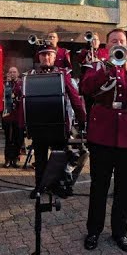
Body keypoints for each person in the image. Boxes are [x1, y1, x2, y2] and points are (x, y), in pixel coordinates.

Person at [81, 28, 127, 252]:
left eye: (121, 41)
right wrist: (107, 68)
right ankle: (94, 230)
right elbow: (86, 87)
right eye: (113, 41)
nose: (117, 44)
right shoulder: (96, 65)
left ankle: (120, 231)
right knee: (99, 186)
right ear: (106, 45)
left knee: (125, 188)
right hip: (102, 135)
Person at [15, 45, 86, 199]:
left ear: (54, 57)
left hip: (59, 125)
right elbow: (23, 101)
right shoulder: (30, 76)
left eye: (49, 55)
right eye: (43, 55)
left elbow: (74, 97)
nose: (46, 58)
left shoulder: (62, 75)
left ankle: (57, 186)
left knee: (59, 157)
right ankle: (40, 186)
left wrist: (82, 119)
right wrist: (21, 126)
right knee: (40, 159)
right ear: (38, 57)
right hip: (38, 125)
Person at [1, 66, 23, 168]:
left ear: (18, 74)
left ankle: (15, 158)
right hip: (8, 115)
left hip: (18, 115)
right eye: (10, 72)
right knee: (8, 138)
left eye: (14, 72)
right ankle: (7, 159)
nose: (12, 74)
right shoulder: (5, 84)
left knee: (18, 138)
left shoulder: (21, 84)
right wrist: (8, 84)